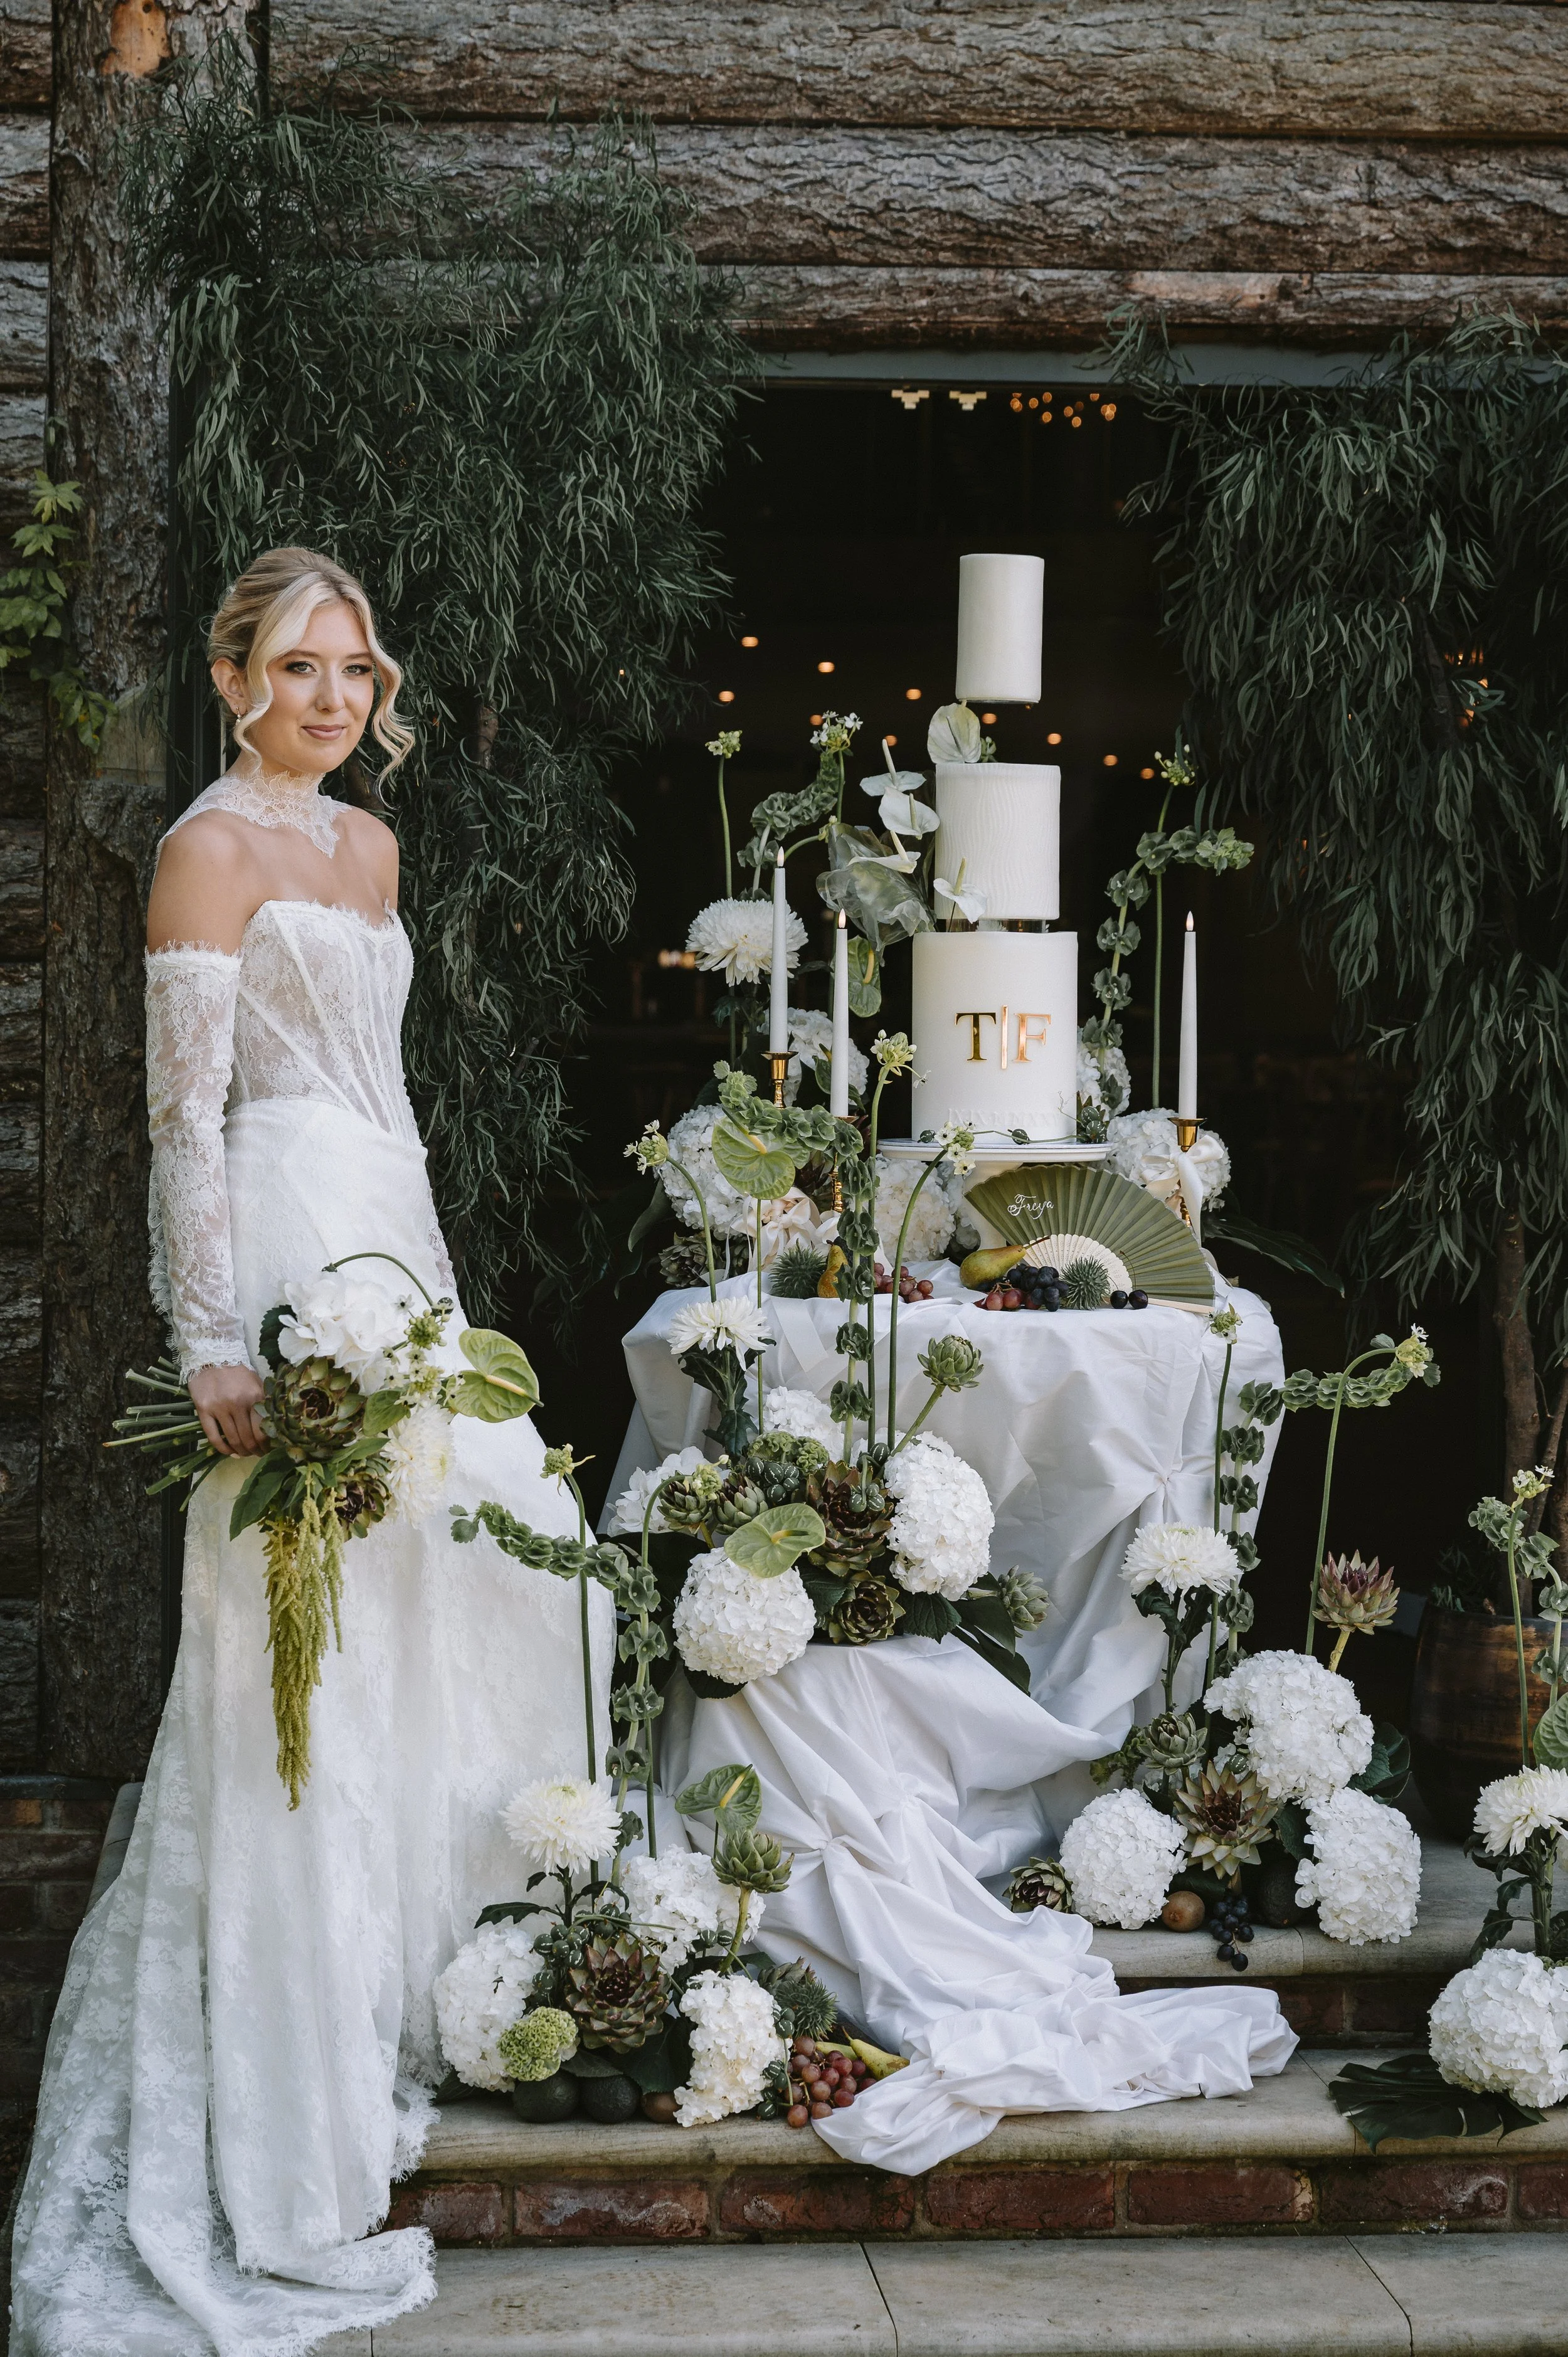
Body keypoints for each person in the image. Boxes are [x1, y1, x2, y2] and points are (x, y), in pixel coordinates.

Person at [9, 548, 608, 2354]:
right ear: (233, 678)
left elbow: (389, 1091)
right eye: (298, 665)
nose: (333, 695)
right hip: (273, 1252)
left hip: (388, 1242)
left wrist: (430, 1277)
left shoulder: (369, 849)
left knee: (477, 1586)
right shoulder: (205, 851)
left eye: (353, 666)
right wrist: (211, 1338)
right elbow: (183, 1118)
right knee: (293, 1653)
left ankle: (436, 1993)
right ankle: (294, 2057)